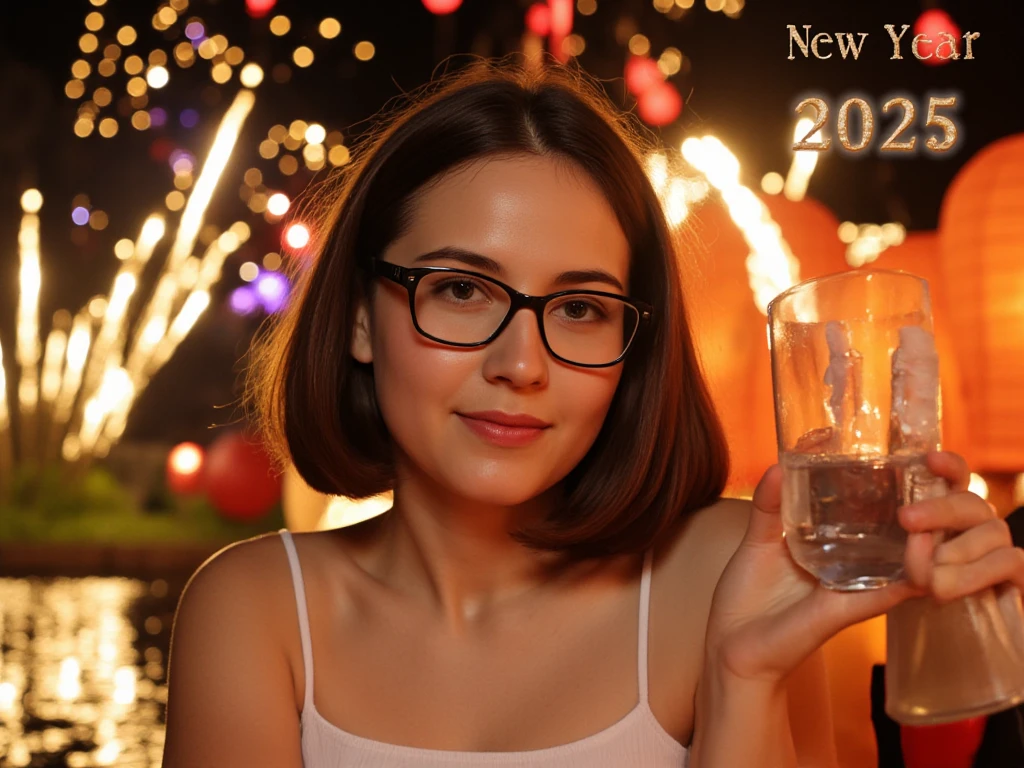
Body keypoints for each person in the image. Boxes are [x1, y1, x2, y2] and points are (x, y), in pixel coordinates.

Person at [161, 59, 1024, 768]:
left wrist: (744, 680)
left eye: (580, 308)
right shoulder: (254, 613)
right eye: (461, 290)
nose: (521, 365)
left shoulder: (736, 572)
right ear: (358, 315)